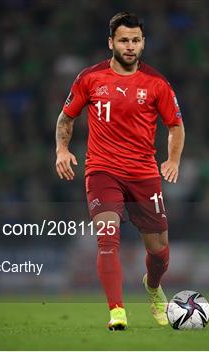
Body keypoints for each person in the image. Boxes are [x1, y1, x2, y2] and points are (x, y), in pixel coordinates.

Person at [55, 12, 185, 330]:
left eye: (136, 40)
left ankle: (153, 288)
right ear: (111, 42)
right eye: (124, 40)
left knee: (159, 252)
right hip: (102, 171)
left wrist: (173, 160)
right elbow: (65, 118)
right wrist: (61, 149)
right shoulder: (89, 78)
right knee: (107, 238)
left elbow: (176, 126)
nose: (130, 46)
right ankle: (117, 311)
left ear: (143, 43)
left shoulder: (157, 83)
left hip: (144, 173)